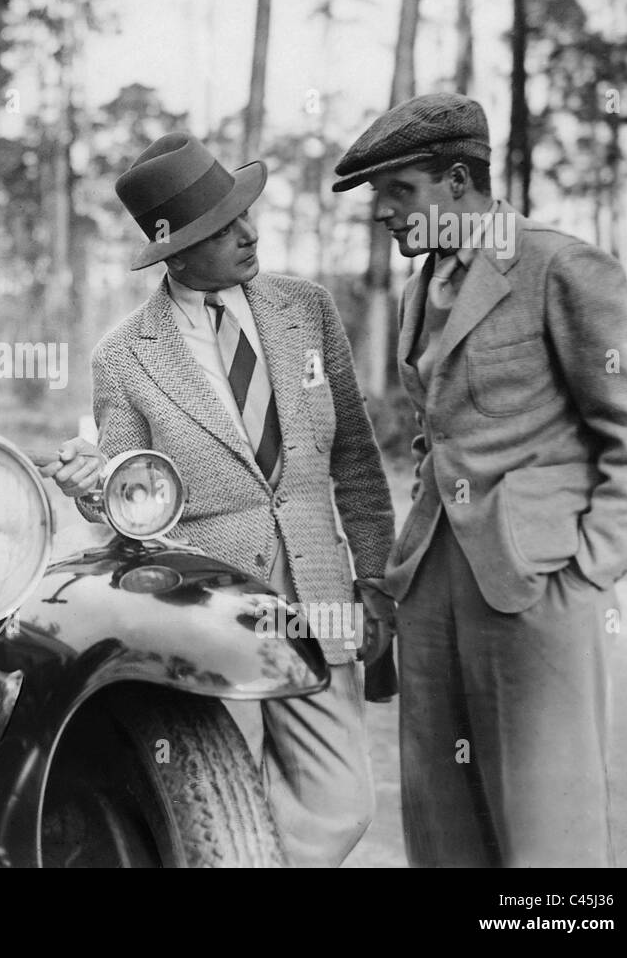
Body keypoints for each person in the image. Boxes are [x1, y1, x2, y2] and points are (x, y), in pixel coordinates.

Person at [40, 131, 395, 868]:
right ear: (173, 250)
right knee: (216, 789)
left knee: (343, 805)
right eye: (222, 227)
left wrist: (375, 582)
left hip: (319, 601)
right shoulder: (126, 354)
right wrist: (92, 483)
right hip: (204, 617)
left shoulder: (308, 311)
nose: (249, 233)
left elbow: (357, 462)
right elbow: (131, 490)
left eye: (245, 214)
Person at [332, 91, 627, 867]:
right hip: (435, 585)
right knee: (446, 829)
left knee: (549, 833)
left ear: (457, 181)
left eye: (398, 191)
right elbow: (437, 440)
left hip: (535, 583)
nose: (384, 213)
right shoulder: (422, 290)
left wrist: (587, 567)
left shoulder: (559, 267)